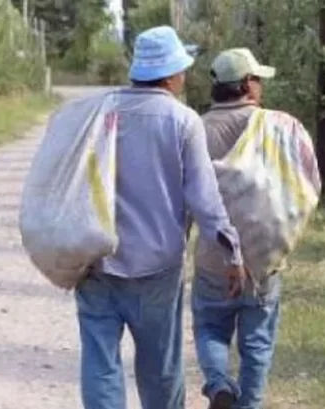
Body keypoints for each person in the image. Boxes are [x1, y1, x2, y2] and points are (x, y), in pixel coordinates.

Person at [74, 26, 246, 409]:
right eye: (182, 69)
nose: (185, 76)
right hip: (156, 268)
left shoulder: (100, 112)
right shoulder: (183, 121)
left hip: (95, 260)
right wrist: (232, 253)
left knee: (100, 364)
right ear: (170, 76)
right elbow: (205, 199)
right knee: (160, 369)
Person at [190, 48, 279, 409]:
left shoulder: (196, 128)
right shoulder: (273, 126)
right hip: (264, 254)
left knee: (210, 327)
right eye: (257, 78)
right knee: (257, 343)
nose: (260, 85)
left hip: (215, 253)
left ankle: (218, 382)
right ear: (246, 84)